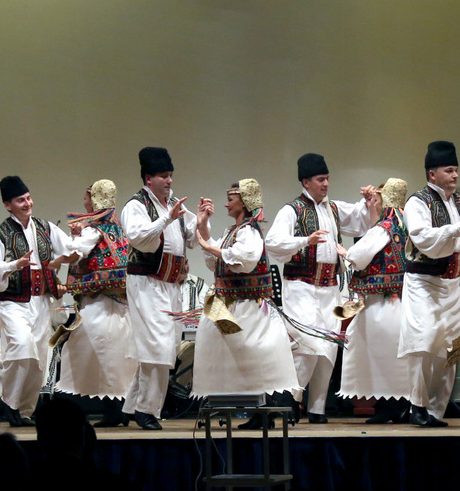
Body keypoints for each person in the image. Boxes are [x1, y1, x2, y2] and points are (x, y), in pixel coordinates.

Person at [265, 153, 375, 423]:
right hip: (301, 286)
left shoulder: (333, 208)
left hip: (329, 289)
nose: (326, 184)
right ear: (306, 182)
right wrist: (304, 241)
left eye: (327, 179)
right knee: (307, 344)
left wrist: (369, 202)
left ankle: (317, 408)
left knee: (328, 347)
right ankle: (291, 401)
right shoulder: (292, 210)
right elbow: (273, 242)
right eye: (320, 179)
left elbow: (360, 218)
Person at [398, 141, 460, 427]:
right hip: (425, 284)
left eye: (456, 170)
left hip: (456, 284)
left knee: (451, 348)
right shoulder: (418, 202)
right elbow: (423, 237)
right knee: (424, 342)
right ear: (432, 174)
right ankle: (416, 405)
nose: (455, 175)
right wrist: (459, 228)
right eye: (449, 170)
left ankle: (436, 409)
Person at [190, 180, 300, 427]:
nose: (226, 203)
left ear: (245, 202)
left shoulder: (249, 231)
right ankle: (246, 408)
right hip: (231, 304)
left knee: (253, 357)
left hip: (247, 306)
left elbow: (245, 259)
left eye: (231, 198)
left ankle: (267, 408)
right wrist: (203, 225)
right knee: (228, 355)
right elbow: (216, 259)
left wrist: (211, 248)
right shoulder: (235, 230)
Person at [0, 175, 74, 427]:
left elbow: (69, 250)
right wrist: (14, 265)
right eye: (20, 200)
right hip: (14, 302)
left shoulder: (45, 228)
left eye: (28, 198)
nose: (27, 203)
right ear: (7, 205)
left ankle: (24, 411)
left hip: (42, 302)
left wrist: (74, 241)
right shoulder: (0, 234)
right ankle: (9, 402)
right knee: (22, 347)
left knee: (39, 359)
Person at [121, 147, 198, 430]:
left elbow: (192, 237)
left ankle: (131, 406)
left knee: (166, 346)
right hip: (147, 284)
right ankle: (147, 410)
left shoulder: (174, 203)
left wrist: (202, 219)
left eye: (170, 175)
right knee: (158, 347)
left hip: (171, 285)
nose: (169, 181)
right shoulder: (136, 205)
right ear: (148, 178)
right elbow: (141, 239)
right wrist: (167, 218)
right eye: (164, 176)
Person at [57, 179, 136, 424]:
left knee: (95, 353)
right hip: (119, 305)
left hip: (100, 303)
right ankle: (117, 409)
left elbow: (75, 253)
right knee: (115, 357)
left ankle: (112, 410)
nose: (84, 203)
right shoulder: (118, 228)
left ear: (96, 200)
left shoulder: (95, 230)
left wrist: (59, 257)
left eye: (87, 198)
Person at [338, 178, 413, 423]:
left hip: (382, 302)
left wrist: (346, 253)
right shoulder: (405, 222)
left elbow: (360, 254)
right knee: (395, 355)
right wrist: (372, 210)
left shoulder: (386, 227)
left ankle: (387, 406)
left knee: (380, 354)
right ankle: (400, 405)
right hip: (402, 299)